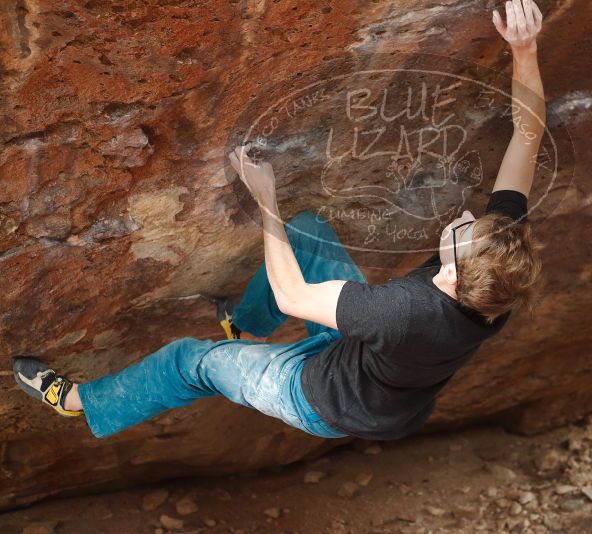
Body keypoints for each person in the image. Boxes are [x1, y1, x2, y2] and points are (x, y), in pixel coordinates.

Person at [12, 0, 547, 441]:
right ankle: (243, 324)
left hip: (318, 397)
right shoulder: (493, 283)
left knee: (189, 361)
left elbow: (293, 295)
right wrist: (525, 49)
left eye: (462, 234)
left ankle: (80, 401)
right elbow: (528, 136)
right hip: (370, 369)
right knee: (310, 231)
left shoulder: (402, 309)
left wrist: (265, 200)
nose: (469, 216)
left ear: (450, 276)